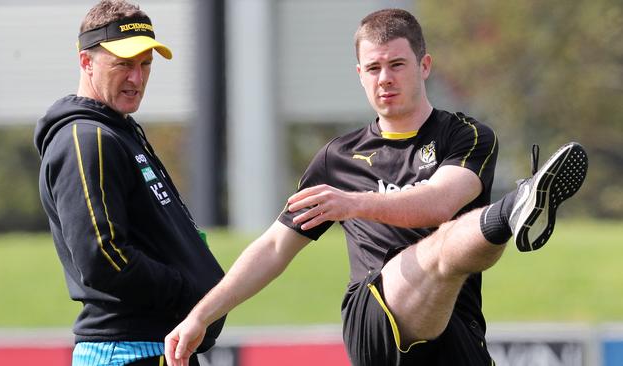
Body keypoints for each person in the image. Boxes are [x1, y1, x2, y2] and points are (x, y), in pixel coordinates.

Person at [164, 8, 588, 366]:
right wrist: (201, 316)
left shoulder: (466, 136)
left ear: (424, 66)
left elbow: (441, 202)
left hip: (455, 327)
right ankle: (516, 205)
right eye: (373, 68)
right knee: (442, 249)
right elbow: (274, 247)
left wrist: (351, 203)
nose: (384, 78)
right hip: (375, 317)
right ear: (360, 75)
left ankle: (514, 212)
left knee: (459, 243)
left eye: (397, 64)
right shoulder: (337, 159)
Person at [34, 1, 225, 365]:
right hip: (127, 352)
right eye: (123, 64)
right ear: (86, 62)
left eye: (145, 65)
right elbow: (102, 257)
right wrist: (190, 293)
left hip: (155, 348)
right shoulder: (86, 137)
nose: (136, 78)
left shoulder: (116, 131)